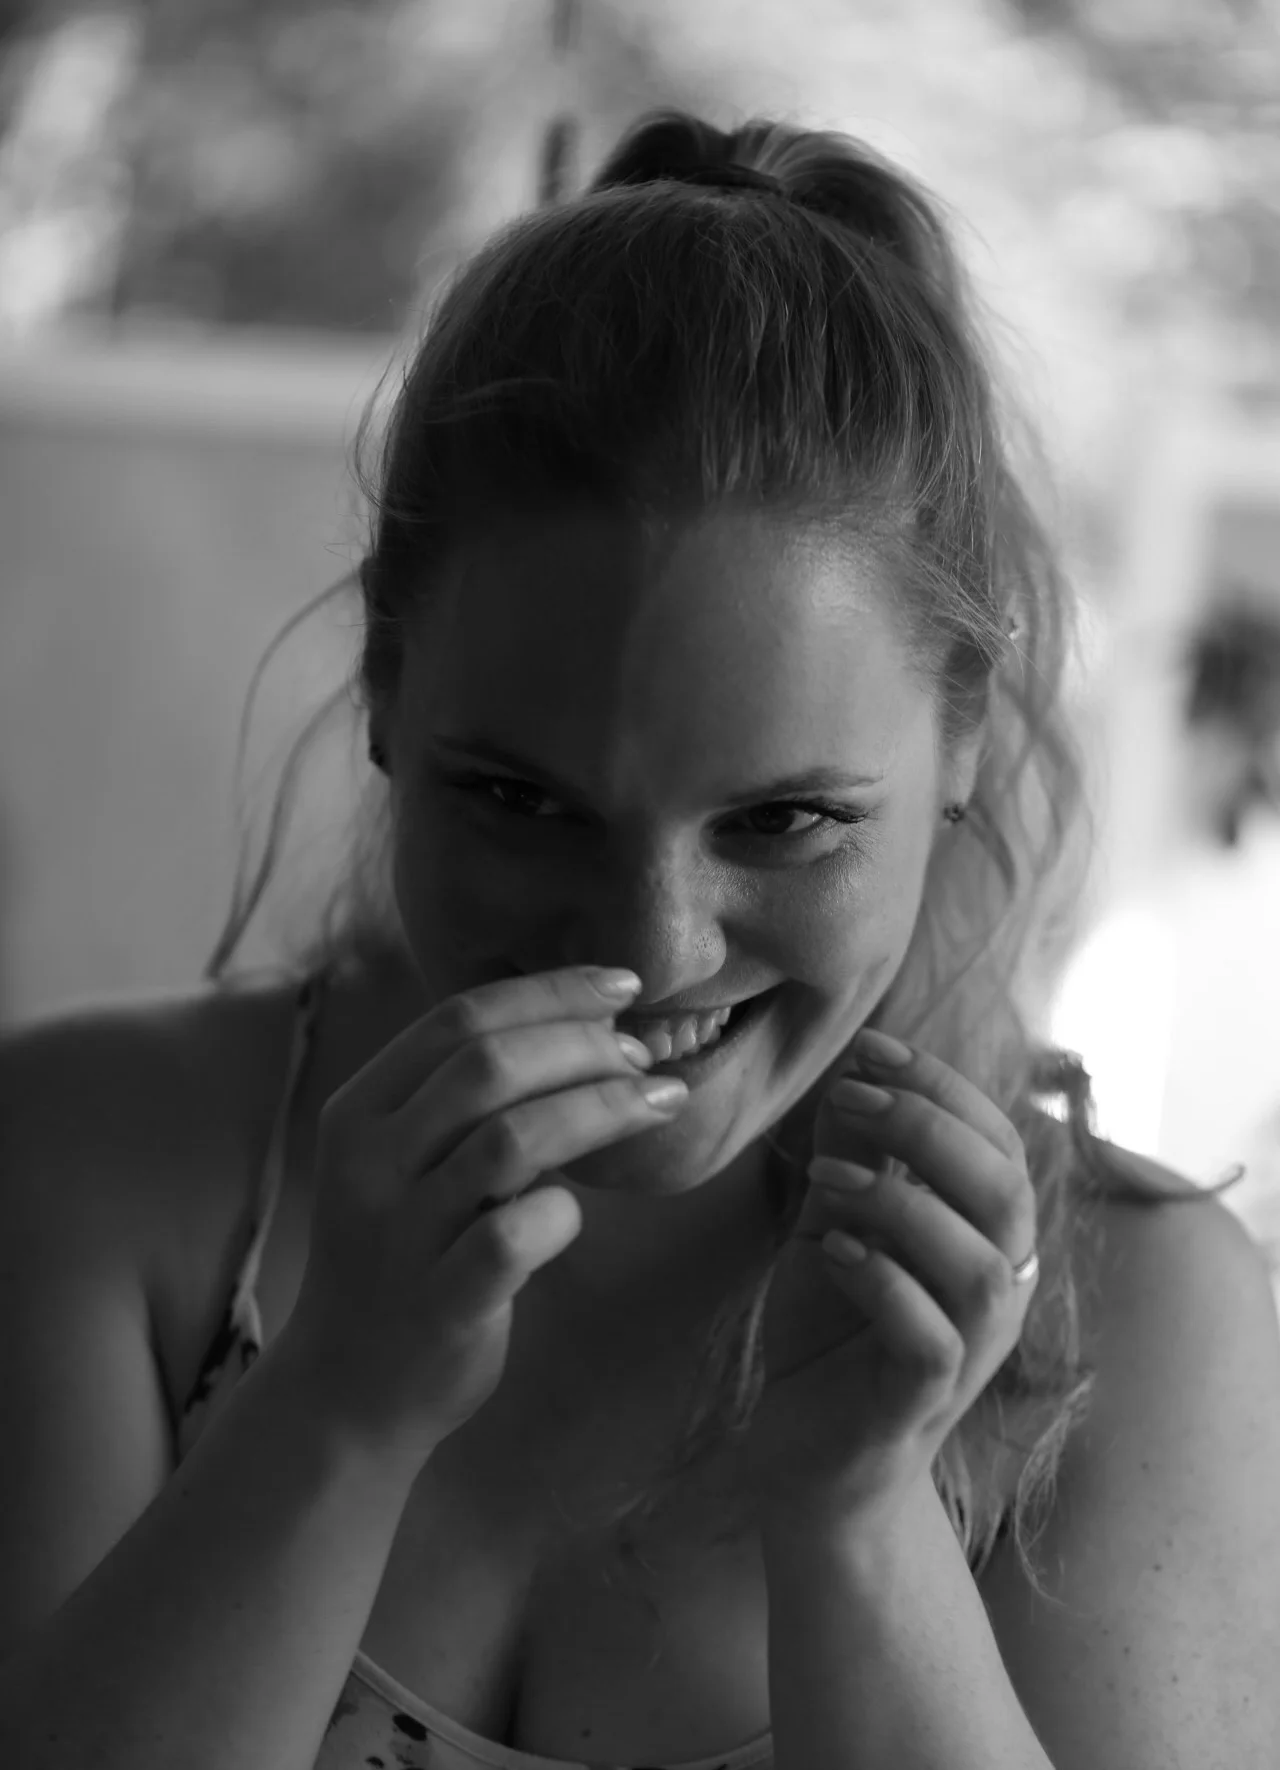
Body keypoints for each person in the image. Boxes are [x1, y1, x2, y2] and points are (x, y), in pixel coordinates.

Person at [1, 106, 1277, 1770]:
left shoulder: (1137, 1321)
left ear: (961, 731)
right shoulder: (95, 1168)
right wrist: (335, 1410)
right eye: (522, 801)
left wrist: (863, 1519)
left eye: (785, 819)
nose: (653, 946)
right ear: (385, 685)